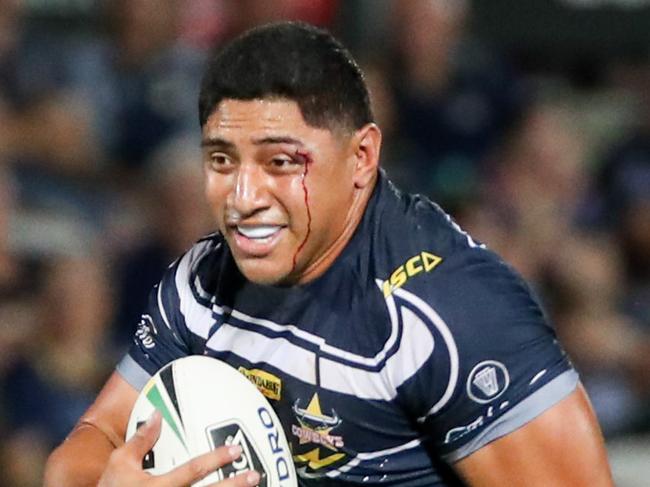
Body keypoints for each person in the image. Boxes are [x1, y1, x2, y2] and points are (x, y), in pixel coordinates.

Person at [44, 22, 614, 487]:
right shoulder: (200, 283)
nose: (242, 198)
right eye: (221, 161)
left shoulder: (449, 313)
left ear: (363, 156)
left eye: (281, 163)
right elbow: (83, 450)